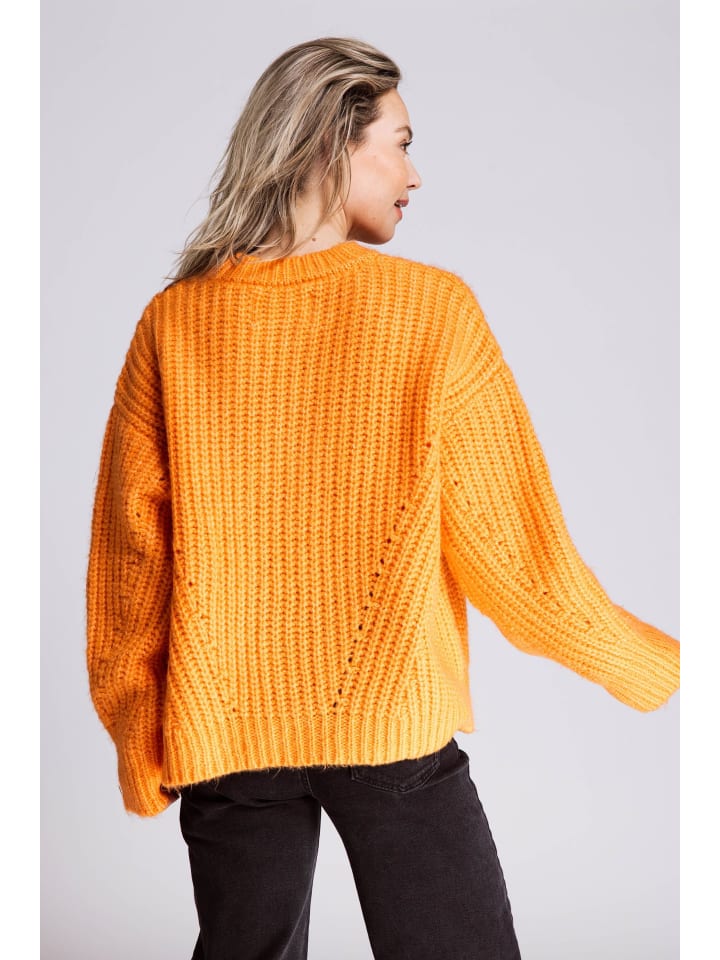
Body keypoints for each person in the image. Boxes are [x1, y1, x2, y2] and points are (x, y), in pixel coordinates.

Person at [85, 36, 679, 960]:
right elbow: (515, 556)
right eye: (399, 144)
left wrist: (138, 733)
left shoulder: (177, 320)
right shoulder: (432, 311)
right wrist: (656, 666)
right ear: (332, 142)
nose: (414, 173)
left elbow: (131, 565)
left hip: (226, 738)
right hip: (390, 722)